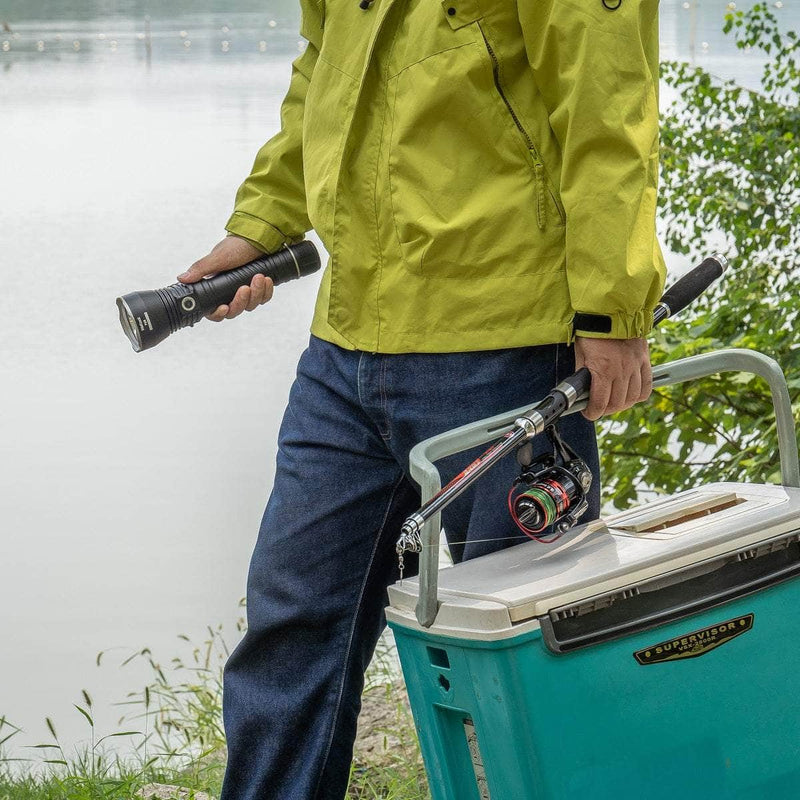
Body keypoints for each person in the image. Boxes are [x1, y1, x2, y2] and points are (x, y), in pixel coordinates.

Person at [177, 0, 665, 797]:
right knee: (291, 626)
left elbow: (605, 104)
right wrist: (264, 221)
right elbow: (319, 74)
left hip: (503, 342)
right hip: (347, 344)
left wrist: (612, 310)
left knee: (528, 647)